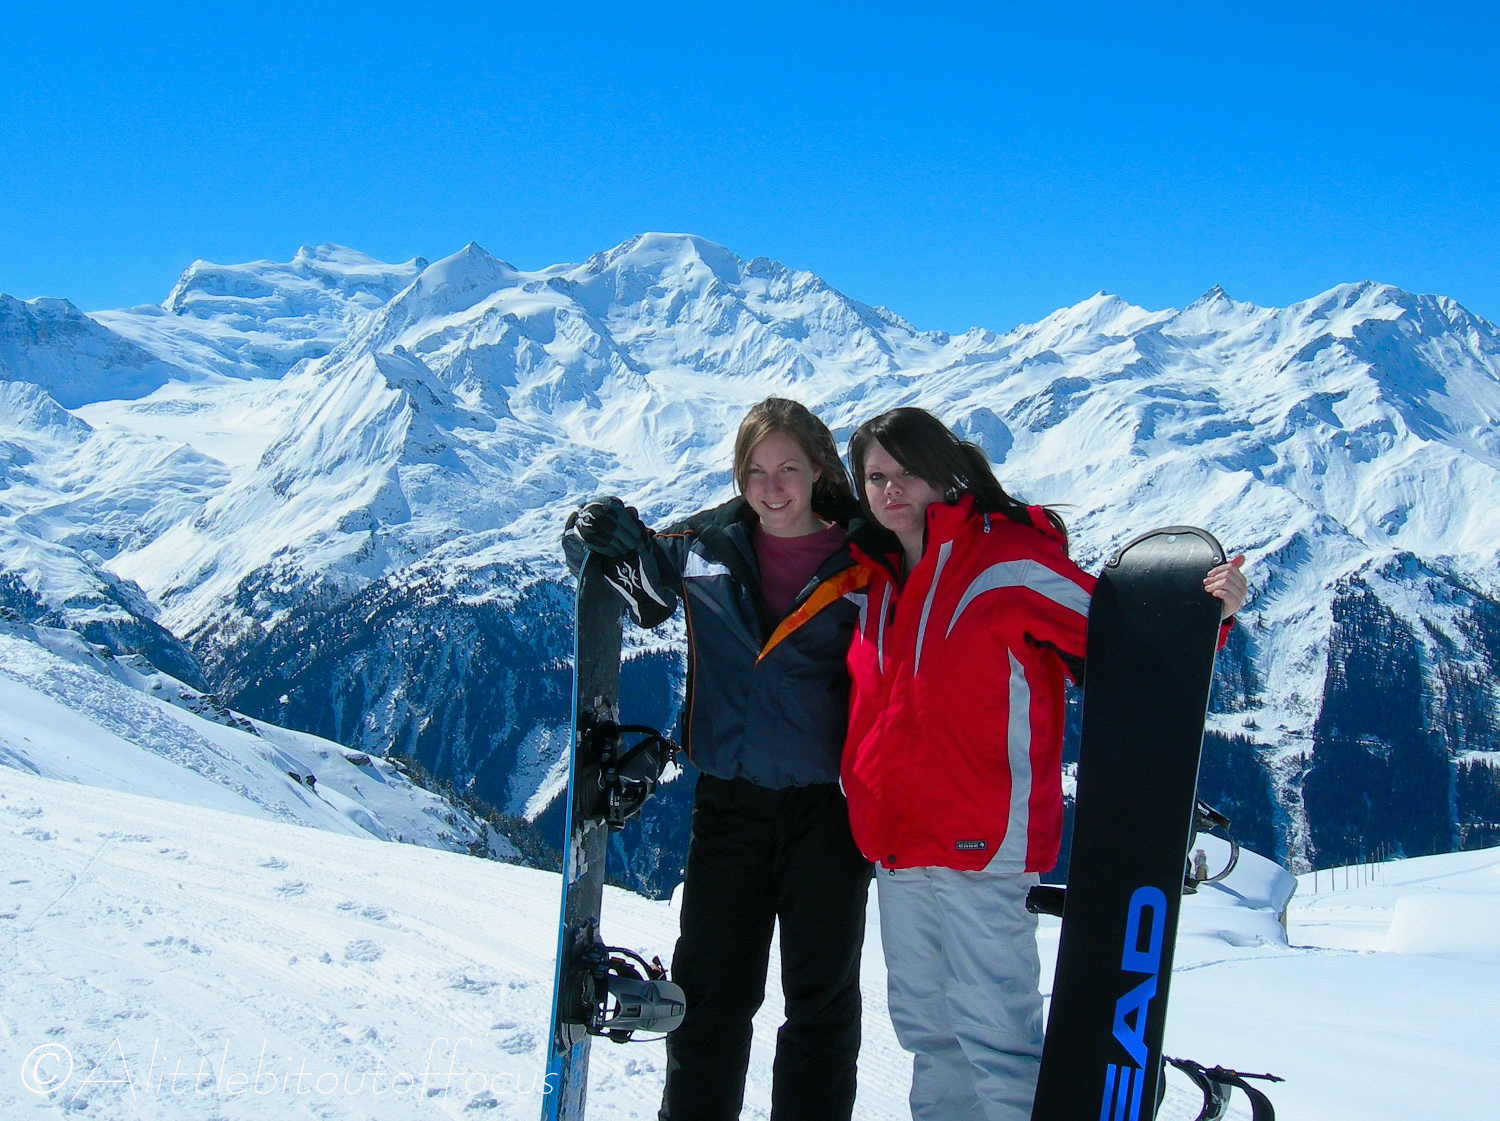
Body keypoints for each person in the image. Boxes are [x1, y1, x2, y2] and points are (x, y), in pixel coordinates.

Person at [838, 406, 1248, 1121]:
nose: (891, 489)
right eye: (875, 476)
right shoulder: (874, 582)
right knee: (929, 1037)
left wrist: (1210, 619)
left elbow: (1121, 639)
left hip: (981, 846)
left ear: (942, 473)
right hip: (898, 849)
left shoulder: (1004, 561)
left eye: (906, 472)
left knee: (998, 1040)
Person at [562, 398, 879, 1121]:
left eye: (788, 469)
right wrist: (586, 535)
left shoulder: (865, 559)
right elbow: (629, 578)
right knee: (709, 996)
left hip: (828, 811)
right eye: (755, 471)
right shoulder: (704, 546)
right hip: (729, 806)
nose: (772, 487)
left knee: (821, 1005)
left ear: (819, 469)